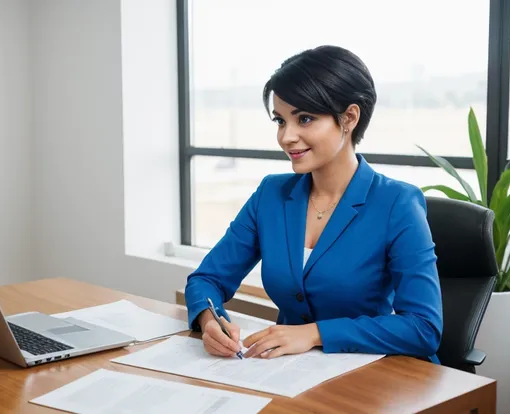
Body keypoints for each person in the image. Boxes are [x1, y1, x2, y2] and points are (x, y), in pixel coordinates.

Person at [184, 45, 443, 363]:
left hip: (374, 378)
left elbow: (423, 328)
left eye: (304, 119)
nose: (286, 137)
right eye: (280, 120)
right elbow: (207, 279)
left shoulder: (397, 203)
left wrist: (314, 333)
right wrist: (209, 321)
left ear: (349, 118)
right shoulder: (271, 194)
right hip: (285, 374)